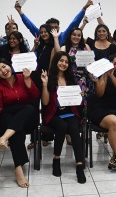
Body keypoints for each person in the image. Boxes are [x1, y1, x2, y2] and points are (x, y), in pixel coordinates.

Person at [0, 58, 40, 188]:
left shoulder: (23, 77)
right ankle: (18, 169)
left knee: (29, 108)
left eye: (4, 67)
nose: (3, 71)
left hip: (26, 115)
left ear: (10, 66)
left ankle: (3, 138)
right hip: (5, 117)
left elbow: (35, 96)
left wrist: (27, 80)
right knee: (16, 130)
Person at [40, 52, 86, 183]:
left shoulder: (72, 79)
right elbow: (45, 102)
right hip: (54, 114)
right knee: (62, 125)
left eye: (66, 62)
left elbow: (77, 102)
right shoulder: (49, 78)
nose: (63, 64)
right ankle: (56, 159)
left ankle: (79, 165)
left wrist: (80, 95)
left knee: (73, 126)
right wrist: (44, 85)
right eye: (61, 61)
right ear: (56, 62)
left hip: (71, 112)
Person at [88, 55, 116, 174]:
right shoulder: (105, 75)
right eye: (115, 63)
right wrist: (101, 79)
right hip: (101, 109)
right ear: (109, 66)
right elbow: (99, 93)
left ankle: (114, 157)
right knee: (114, 121)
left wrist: (112, 76)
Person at [14, 0, 93, 46]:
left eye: (56, 27)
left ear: (59, 28)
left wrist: (84, 9)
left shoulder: (63, 36)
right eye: (52, 27)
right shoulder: (42, 35)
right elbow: (30, 25)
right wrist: (19, 11)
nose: (55, 29)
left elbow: (74, 23)